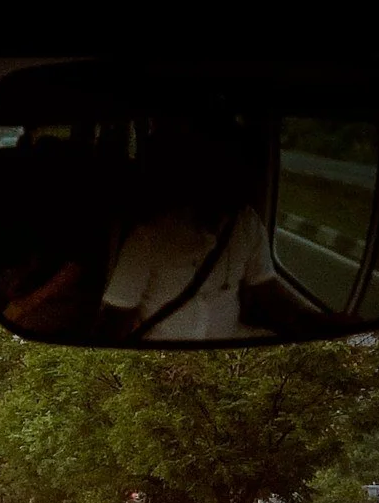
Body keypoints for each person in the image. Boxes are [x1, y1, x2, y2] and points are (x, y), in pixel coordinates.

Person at [96, 116, 333, 343]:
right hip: (161, 351)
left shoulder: (247, 222)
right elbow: (118, 316)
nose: (235, 190)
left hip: (234, 343)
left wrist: (317, 322)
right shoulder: (150, 235)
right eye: (221, 174)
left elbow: (266, 289)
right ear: (198, 175)